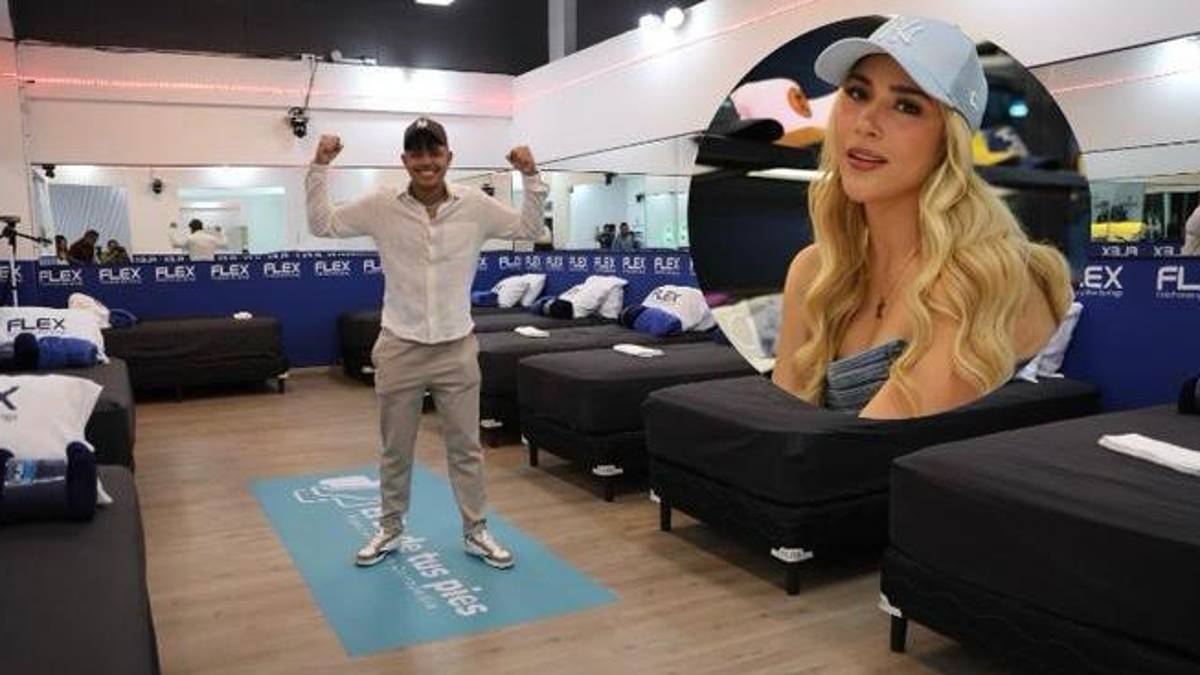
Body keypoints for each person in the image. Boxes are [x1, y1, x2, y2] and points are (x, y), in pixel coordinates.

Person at [770, 16, 1072, 419]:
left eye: (906, 106)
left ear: (949, 140)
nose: (865, 123)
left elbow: (867, 444)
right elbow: (781, 424)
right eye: (857, 93)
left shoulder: (982, 277)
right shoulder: (815, 271)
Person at [306, 116, 548, 570]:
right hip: (400, 346)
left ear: (448, 157)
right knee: (395, 450)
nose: (426, 162)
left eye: (433, 151)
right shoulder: (381, 205)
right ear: (404, 160)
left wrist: (531, 176)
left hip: (457, 348)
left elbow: (530, 229)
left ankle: (476, 531)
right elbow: (323, 225)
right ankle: (390, 528)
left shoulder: (474, 205)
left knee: (467, 450)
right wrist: (320, 166)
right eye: (416, 153)